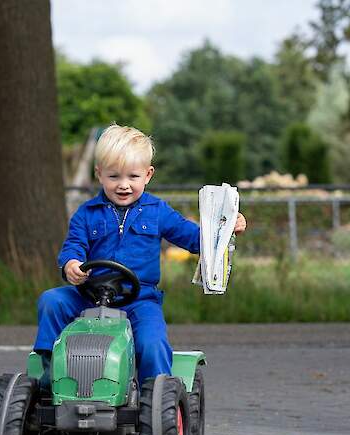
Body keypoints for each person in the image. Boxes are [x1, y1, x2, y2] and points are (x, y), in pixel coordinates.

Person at [32, 124, 247, 390]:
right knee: (52, 300)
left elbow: (193, 238)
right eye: (114, 177)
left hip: (138, 299)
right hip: (88, 294)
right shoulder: (86, 214)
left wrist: (224, 230)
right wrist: (72, 265)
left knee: (152, 342)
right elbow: (73, 246)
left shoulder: (157, 212)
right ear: (99, 174)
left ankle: (156, 395)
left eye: (133, 176)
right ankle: (48, 370)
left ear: (148, 175)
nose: (123, 185)